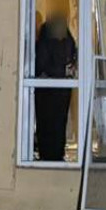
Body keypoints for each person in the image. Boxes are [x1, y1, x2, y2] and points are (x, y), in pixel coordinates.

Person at [33, 15, 77, 161]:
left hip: (49, 92)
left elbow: (40, 64)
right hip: (58, 91)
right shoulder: (65, 37)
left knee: (48, 125)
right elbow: (71, 58)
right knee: (57, 124)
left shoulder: (46, 36)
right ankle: (56, 154)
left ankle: (50, 155)